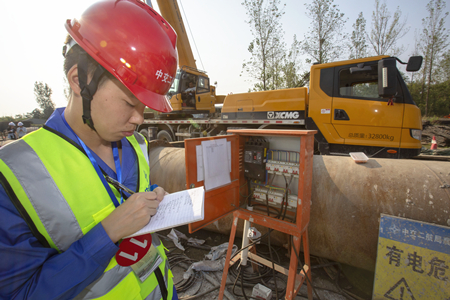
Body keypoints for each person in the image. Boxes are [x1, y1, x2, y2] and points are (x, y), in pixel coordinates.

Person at [0, 1, 179, 299]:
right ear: (79, 81)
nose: (139, 118)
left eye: (145, 106)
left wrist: (152, 200)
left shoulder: (135, 145)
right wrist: (107, 234)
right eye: (130, 103)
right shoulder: (14, 175)